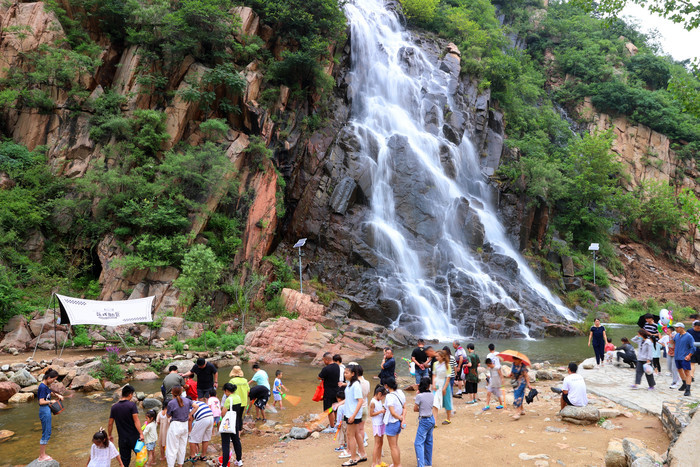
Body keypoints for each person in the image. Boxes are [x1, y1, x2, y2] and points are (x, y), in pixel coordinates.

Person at [108, 384, 144, 467]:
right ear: (130, 394)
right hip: (134, 437)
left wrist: (110, 435)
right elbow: (136, 421)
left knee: (124, 461)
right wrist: (141, 433)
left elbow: (110, 423)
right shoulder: (131, 405)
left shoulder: (114, 407)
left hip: (122, 439)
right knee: (140, 457)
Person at [342, 364, 368, 466]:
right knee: (356, 434)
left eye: (346, 373)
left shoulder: (356, 385)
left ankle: (352, 458)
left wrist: (353, 415)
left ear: (353, 374)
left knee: (350, 436)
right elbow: (349, 399)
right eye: (344, 372)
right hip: (349, 412)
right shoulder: (349, 383)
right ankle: (363, 454)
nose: (345, 374)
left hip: (353, 414)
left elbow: (360, 401)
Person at [37, 369, 63, 462]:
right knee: (46, 433)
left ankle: (43, 454)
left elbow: (49, 392)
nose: (53, 381)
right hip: (44, 411)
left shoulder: (45, 386)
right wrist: (51, 401)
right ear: (48, 377)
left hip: (46, 410)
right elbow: (41, 401)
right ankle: (41, 456)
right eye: (53, 379)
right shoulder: (42, 387)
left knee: (48, 432)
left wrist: (57, 395)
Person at [166, 386, 192, 467]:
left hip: (175, 425)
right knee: (182, 446)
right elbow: (196, 406)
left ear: (172, 393)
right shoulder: (187, 400)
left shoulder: (171, 403)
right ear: (181, 392)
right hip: (185, 425)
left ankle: (171, 465)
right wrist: (189, 415)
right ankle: (180, 465)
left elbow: (168, 415)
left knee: (172, 449)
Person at [383, 377, 406, 467]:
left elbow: (392, 413)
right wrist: (402, 419)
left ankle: (397, 464)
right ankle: (397, 463)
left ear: (387, 386)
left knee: (393, 447)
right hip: (398, 422)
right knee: (395, 445)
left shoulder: (389, 396)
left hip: (392, 422)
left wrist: (400, 418)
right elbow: (404, 407)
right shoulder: (400, 392)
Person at [220, 382, 244, 467]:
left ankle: (225, 464)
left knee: (226, 443)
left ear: (227, 391)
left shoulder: (229, 399)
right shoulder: (238, 397)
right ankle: (239, 460)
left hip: (228, 423)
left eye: (224, 391)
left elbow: (223, 413)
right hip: (236, 423)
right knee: (236, 441)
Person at [414, 377, 434, 467]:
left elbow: (415, 409)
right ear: (429, 385)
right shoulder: (432, 394)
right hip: (431, 418)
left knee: (418, 443)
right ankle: (428, 463)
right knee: (428, 441)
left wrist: (417, 394)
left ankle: (421, 465)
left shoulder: (419, 396)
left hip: (424, 420)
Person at [188, 397, 214, 462]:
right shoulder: (200, 402)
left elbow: (190, 419)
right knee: (205, 438)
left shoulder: (189, 406)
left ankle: (193, 456)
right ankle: (203, 456)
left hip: (203, 418)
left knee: (192, 438)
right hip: (211, 417)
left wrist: (190, 431)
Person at [318, 352, 340, 427]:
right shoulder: (337, 366)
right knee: (336, 408)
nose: (324, 362)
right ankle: (337, 423)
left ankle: (332, 425)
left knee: (329, 410)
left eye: (324, 360)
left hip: (328, 392)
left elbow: (319, 377)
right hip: (337, 390)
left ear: (327, 360)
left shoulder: (326, 369)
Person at [674, 322, 695, 397]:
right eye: (675, 327)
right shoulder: (676, 335)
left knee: (687, 372)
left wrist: (689, 355)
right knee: (679, 370)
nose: (676, 329)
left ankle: (688, 389)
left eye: (677, 327)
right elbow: (673, 342)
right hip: (677, 356)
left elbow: (693, 347)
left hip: (684, 357)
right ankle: (684, 383)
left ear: (682, 328)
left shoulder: (689, 336)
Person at [431, 349, 451, 425]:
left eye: (437, 356)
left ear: (442, 357)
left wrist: (444, 388)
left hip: (444, 384)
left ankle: (448, 418)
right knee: (434, 403)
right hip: (437, 384)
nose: (436, 358)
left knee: (447, 402)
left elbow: (448, 378)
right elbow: (434, 374)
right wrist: (433, 384)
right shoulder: (435, 364)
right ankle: (434, 422)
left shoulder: (447, 365)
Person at [370, 386, 387, 467]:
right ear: (379, 394)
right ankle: (374, 463)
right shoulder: (373, 402)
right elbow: (371, 414)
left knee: (381, 442)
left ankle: (379, 461)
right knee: (377, 444)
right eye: (383, 396)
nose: (383, 398)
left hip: (381, 423)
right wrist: (381, 411)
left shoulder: (379, 400)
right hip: (376, 424)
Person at [334, 390, 349, 458]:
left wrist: (337, 424)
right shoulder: (347, 404)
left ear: (339, 399)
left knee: (341, 433)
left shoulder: (340, 407)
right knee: (346, 432)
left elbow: (339, 416)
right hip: (347, 420)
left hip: (341, 421)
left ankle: (341, 446)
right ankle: (346, 443)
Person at [442, 345, 457, 411]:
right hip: (452, 375)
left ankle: (447, 402)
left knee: (446, 388)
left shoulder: (443, 358)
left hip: (445, 376)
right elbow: (455, 366)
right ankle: (450, 400)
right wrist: (456, 373)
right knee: (450, 387)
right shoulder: (452, 357)